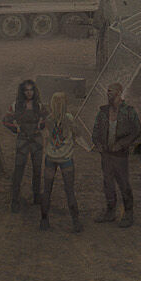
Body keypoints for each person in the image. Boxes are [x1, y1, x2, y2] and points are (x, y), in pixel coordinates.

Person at [92, 82, 141, 227]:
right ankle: (110, 212)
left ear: (120, 92)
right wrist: (98, 145)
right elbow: (95, 131)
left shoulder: (129, 111)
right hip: (106, 155)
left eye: (112, 91)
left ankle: (128, 214)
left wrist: (122, 144)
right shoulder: (103, 112)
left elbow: (137, 130)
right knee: (108, 183)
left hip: (120, 155)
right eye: (107, 91)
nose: (109, 93)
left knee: (123, 184)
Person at [39, 90, 89, 232]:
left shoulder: (48, 119)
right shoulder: (69, 118)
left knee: (47, 190)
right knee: (69, 190)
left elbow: (46, 136)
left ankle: (44, 220)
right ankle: (75, 222)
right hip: (66, 158)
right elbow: (78, 133)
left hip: (50, 157)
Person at [2, 79, 46, 213]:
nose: (29, 93)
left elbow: (47, 118)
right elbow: (6, 120)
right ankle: (15, 200)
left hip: (36, 140)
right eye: (26, 90)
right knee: (19, 169)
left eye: (31, 90)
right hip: (22, 140)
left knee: (37, 169)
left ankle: (37, 197)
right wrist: (16, 129)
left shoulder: (39, 105)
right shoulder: (16, 105)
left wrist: (41, 125)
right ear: (22, 91)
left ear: (34, 91)